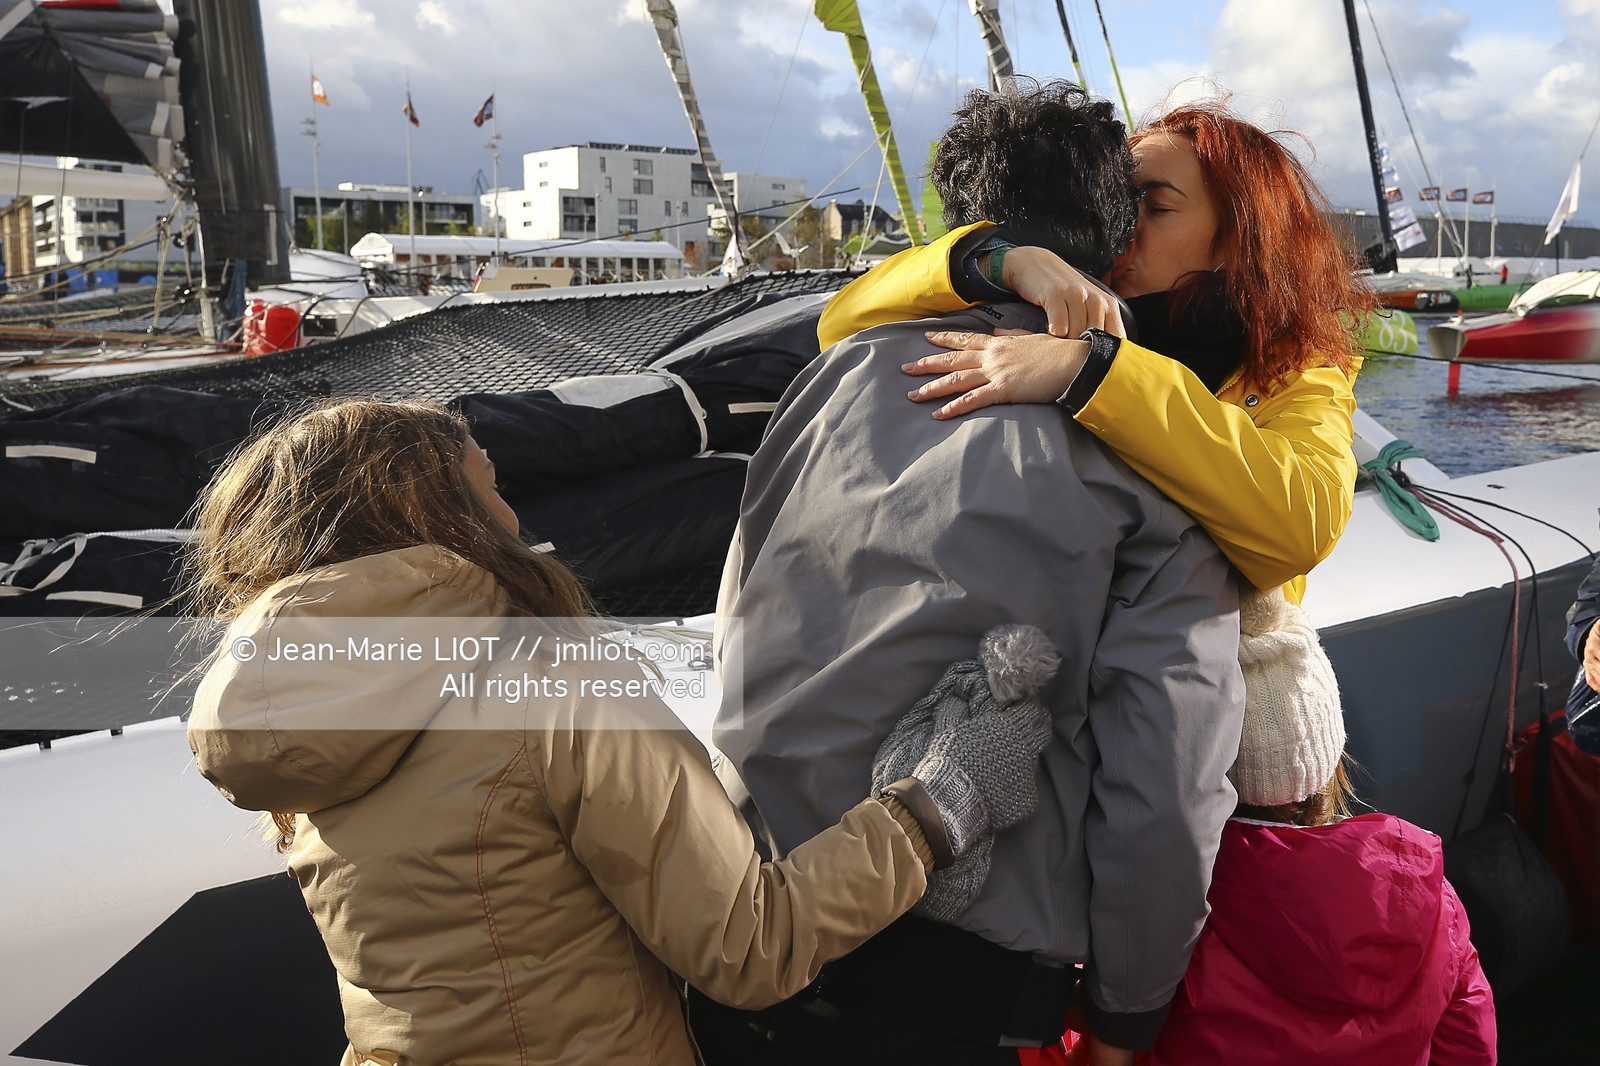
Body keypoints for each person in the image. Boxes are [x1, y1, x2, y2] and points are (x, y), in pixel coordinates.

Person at [183, 398, 1057, 1066]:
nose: (517, 521)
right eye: (491, 486)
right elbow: (750, 948)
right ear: (432, 513)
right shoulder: (549, 683)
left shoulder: (295, 705)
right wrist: (940, 805)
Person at [702, 83, 1244, 1065]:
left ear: (965, 219)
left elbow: (739, 619)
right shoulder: (1147, 449)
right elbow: (1165, 763)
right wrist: (1129, 1013)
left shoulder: (825, 377)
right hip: (953, 980)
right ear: (1114, 243)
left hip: (742, 910)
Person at [818, 93, 1377, 601]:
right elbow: (838, 323)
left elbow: (1302, 524)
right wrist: (995, 259)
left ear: (1245, 239)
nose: (1123, 230)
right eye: (1119, 206)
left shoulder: (1300, 372)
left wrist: (1094, 370)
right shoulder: (1054, 304)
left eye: (1155, 208)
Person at [1026, 587, 1496, 1066]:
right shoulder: (1434, 901)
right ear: (1330, 758)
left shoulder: (1171, 918)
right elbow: (1469, 1050)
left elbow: (1100, 1022)